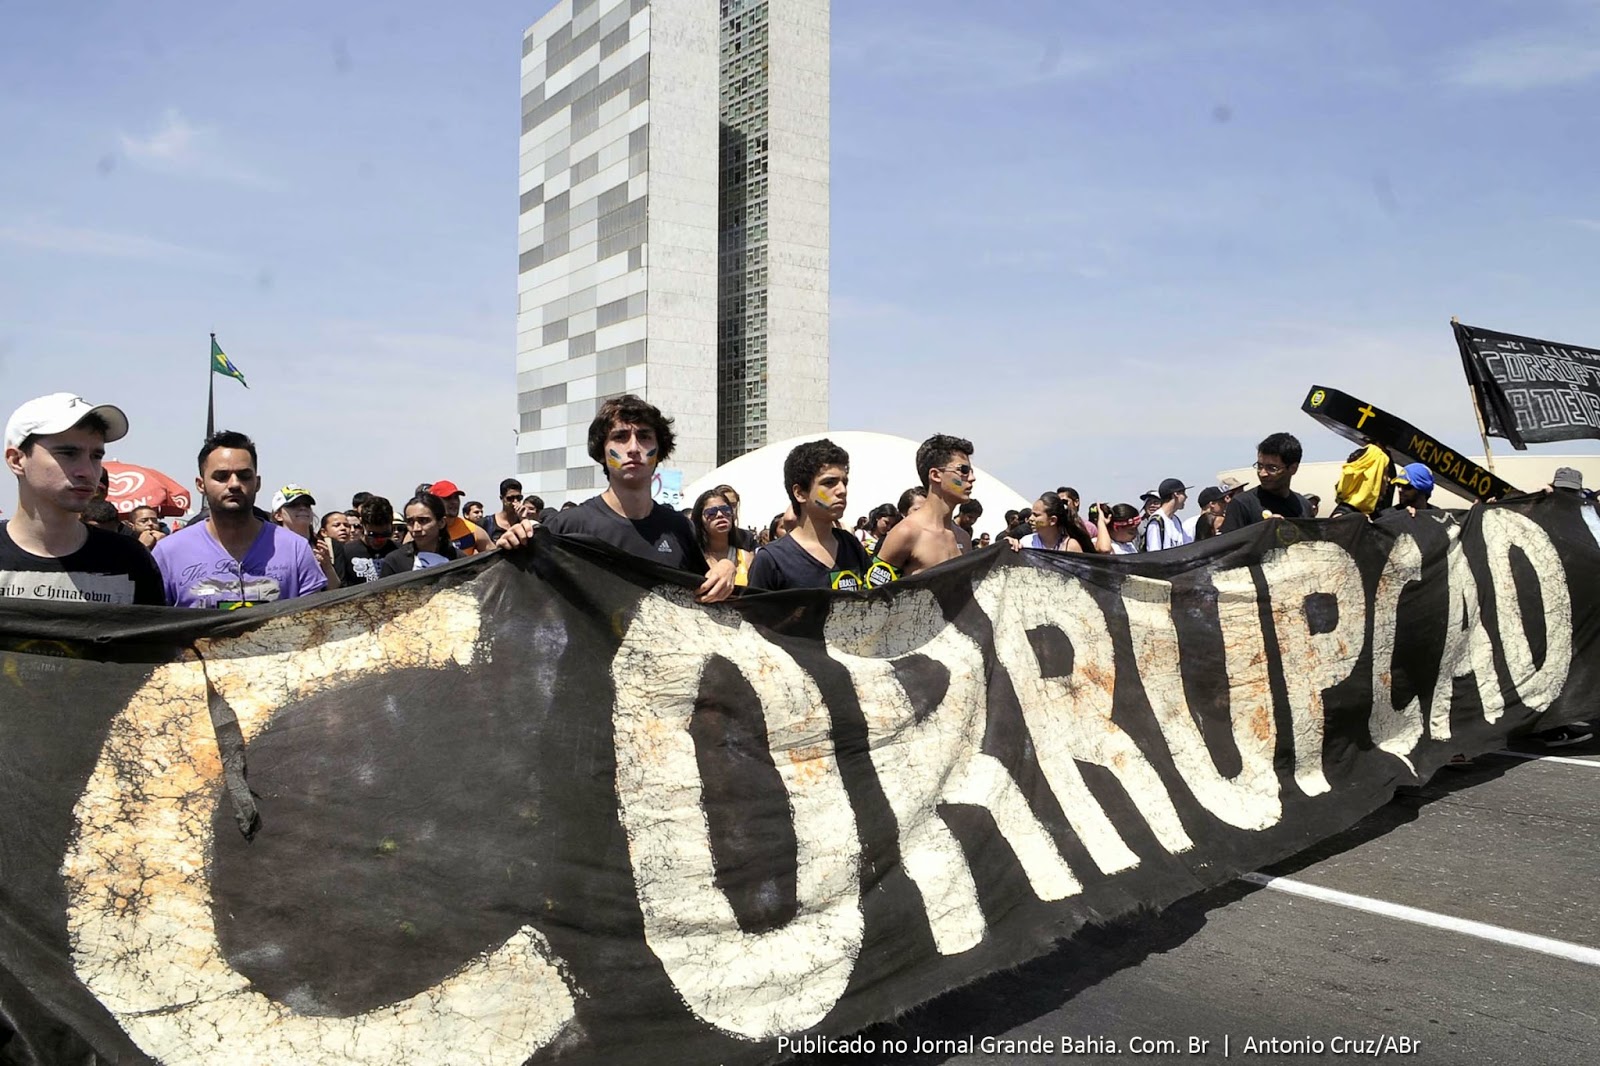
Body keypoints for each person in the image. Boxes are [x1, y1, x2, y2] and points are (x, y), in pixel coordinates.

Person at [495, 394, 735, 602]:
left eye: (644, 436)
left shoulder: (680, 528)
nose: (633, 448)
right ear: (601, 451)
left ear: (659, 451)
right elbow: (521, 601)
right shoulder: (568, 525)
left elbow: (704, 598)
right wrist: (514, 546)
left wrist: (725, 569)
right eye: (620, 437)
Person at [1, 393, 165, 605]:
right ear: (16, 460)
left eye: (96, 456)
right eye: (68, 453)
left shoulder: (130, 559)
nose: (87, 471)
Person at [153, 430, 326, 609]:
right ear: (201, 484)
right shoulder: (168, 554)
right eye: (221, 476)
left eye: (244, 476)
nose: (234, 484)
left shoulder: (295, 549)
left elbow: (314, 626)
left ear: (257, 483)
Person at [747, 438, 872, 591]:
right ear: (800, 493)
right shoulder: (771, 560)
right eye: (829, 482)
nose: (842, 491)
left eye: (844, 482)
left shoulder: (850, 545)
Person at [874, 434, 976, 579]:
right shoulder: (906, 533)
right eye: (963, 470)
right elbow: (874, 595)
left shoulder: (963, 538)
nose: (972, 478)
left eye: (971, 472)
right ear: (935, 475)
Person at [1221, 433, 1310, 533]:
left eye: (1272, 468)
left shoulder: (1304, 506)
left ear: (1293, 468)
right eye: (1259, 466)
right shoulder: (1242, 504)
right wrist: (1263, 531)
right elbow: (1229, 546)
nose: (1263, 473)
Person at [271, 484, 339, 589]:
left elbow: (335, 589)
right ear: (278, 515)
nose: (302, 508)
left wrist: (327, 567)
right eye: (293, 505)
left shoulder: (327, 546)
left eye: (307, 505)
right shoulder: (270, 549)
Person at [379, 493, 460, 577]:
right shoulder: (394, 561)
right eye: (410, 522)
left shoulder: (458, 559)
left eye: (423, 521)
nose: (416, 528)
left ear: (441, 523)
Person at [691, 488, 753, 587]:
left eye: (725, 510)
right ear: (700, 519)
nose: (720, 515)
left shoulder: (747, 558)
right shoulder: (692, 557)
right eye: (711, 512)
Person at [335, 496, 398, 586]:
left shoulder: (400, 552)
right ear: (362, 524)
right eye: (373, 535)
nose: (379, 540)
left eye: (384, 534)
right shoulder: (346, 552)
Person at [422, 479, 492, 554]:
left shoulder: (472, 531)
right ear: (434, 501)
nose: (454, 502)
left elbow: (496, 557)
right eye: (448, 498)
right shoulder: (421, 530)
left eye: (456, 497)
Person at [1005, 492, 1084, 553]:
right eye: (1032, 514)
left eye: (1036, 515)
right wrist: (1007, 544)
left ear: (1052, 520)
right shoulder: (1026, 543)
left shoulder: (1070, 547)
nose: (1030, 519)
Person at [1141, 478, 1193, 551]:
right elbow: (1154, 554)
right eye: (1183, 493)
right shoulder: (1156, 522)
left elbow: (1188, 545)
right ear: (1176, 494)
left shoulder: (1175, 520)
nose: (1186, 497)